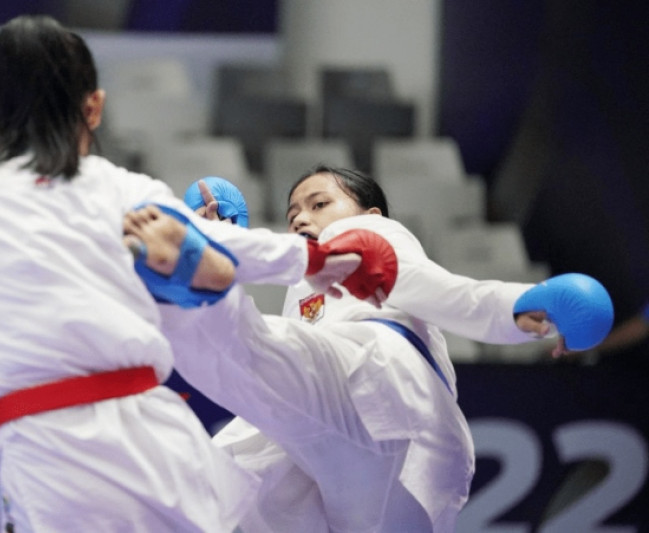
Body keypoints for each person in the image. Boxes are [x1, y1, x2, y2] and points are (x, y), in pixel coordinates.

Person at [0, 16, 380, 533]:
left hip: (47, 459)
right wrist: (315, 259)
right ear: (94, 107)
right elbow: (223, 244)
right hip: (156, 448)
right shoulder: (125, 188)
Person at [124, 166, 612, 532]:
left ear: (371, 213)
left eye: (319, 204)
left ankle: (197, 279)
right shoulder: (307, 283)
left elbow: (436, 288)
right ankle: (203, 279)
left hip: (382, 385)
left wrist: (515, 307)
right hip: (349, 444)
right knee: (218, 494)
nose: (302, 219)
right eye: (293, 212)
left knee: (248, 357)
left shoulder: (367, 237)